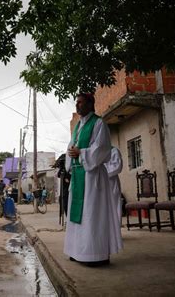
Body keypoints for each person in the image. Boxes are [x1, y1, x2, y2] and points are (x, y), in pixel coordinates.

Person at [64, 93, 123, 267]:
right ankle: (78, 252)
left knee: (92, 215)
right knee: (79, 217)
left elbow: (102, 148)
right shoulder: (78, 127)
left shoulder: (99, 123)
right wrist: (71, 153)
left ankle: (95, 254)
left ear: (90, 104)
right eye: (76, 102)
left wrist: (81, 153)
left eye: (81, 102)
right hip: (78, 177)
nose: (77, 105)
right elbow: (70, 147)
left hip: (93, 179)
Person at [104, 146, 124, 228]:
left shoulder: (114, 151)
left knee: (114, 206)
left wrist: (103, 173)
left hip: (112, 182)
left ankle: (115, 231)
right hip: (101, 183)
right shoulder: (98, 151)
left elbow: (117, 167)